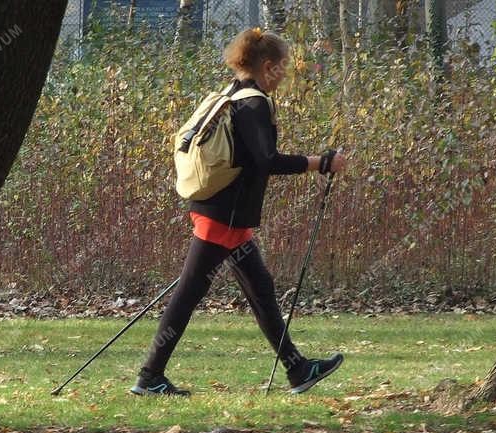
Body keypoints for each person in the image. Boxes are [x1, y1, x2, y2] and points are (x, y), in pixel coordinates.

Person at [131, 28, 348, 397]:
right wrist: (320, 162)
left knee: (259, 289)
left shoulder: (232, 93)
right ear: (267, 67)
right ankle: (149, 376)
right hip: (225, 215)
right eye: (283, 67)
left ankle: (297, 369)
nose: (286, 74)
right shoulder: (255, 103)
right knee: (189, 292)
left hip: (220, 209)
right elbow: (266, 161)